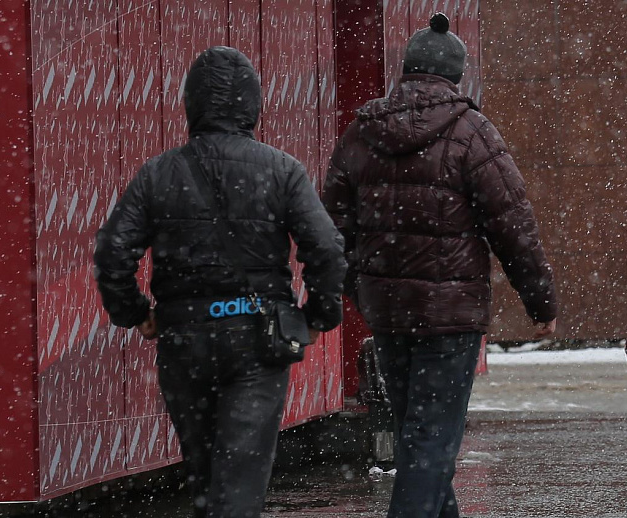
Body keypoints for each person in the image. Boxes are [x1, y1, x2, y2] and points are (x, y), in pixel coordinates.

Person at [94, 46, 348, 518]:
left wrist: (136, 313)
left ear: (192, 104)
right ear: (252, 105)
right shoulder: (282, 169)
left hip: (182, 337)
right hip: (259, 338)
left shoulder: (158, 173)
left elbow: (112, 253)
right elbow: (327, 249)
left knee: (205, 478)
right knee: (241, 480)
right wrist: (318, 315)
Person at [323, 14, 558, 518]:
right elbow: (512, 223)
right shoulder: (471, 131)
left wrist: (359, 288)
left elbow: (332, 226)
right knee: (431, 444)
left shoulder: (362, 133)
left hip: (388, 312)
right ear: (455, 76)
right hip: (451, 315)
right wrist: (540, 299)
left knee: (419, 440)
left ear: (406, 70)